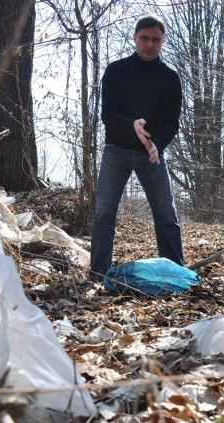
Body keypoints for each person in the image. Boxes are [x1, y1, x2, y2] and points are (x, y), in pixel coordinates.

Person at [89, 14, 184, 282]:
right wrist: (132, 125)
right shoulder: (116, 71)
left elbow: (171, 121)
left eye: (156, 39)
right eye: (145, 38)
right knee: (103, 215)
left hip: (151, 155)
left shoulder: (170, 78)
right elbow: (108, 115)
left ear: (163, 41)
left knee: (166, 215)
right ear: (135, 38)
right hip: (116, 151)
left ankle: (175, 275)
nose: (150, 44)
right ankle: (97, 276)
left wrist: (157, 145)